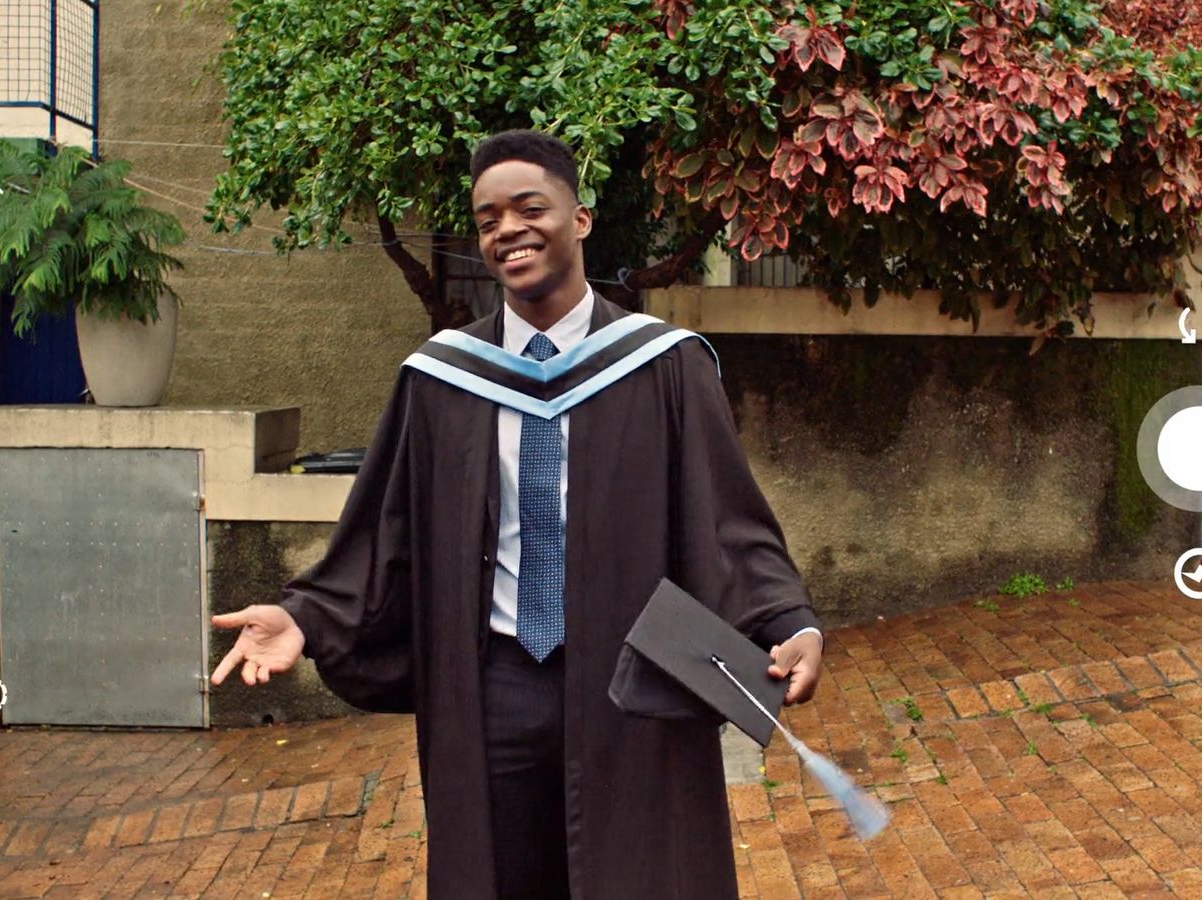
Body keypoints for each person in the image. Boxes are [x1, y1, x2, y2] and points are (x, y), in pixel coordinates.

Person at [210, 129, 824, 899]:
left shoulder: (664, 366)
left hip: (631, 679)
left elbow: (730, 520)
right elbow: (383, 533)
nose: (508, 229)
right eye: (489, 218)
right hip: (493, 683)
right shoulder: (443, 378)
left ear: (581, 219)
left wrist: (789, 624)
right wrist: (307, 616)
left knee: (638, 873)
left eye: (530, 208)